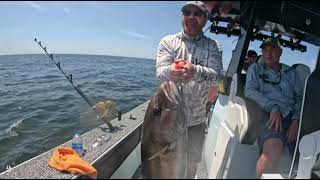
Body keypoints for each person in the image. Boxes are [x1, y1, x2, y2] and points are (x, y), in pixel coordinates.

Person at [156, 1, 224, 178]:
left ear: (205, 19)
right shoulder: (168, 42)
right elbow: (160, 73)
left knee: (192, 163)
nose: (192, 16)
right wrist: (170, 71)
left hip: (197, 121)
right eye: (187, 12)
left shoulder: (213, 45)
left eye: (197, 13)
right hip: (168, 121)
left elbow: (218, 77)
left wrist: (194, 70)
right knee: (168, 163)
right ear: (182, 16)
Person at [244, 37, 302, 178]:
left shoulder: (291, 72)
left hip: (290, 115)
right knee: (274, 150)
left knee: (307, 154)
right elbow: (250, 90)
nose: (268, 53)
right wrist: (273, 107)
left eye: (273, 50)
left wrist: (296, 120)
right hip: (266, 114)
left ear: (280, 52)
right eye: (265, 50)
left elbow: (300, 97)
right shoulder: (255, 68)